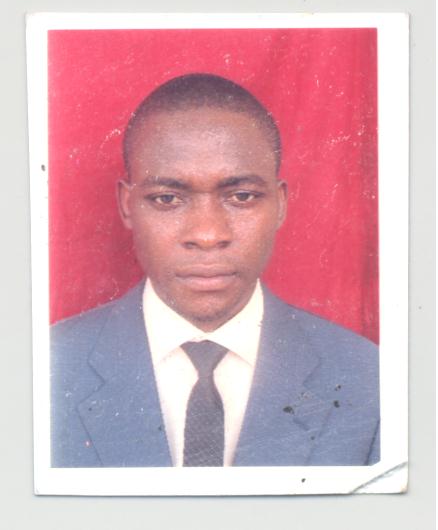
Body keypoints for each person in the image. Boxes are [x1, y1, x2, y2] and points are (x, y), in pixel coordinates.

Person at [51, 73, 380, 468]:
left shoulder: (370, 380)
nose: (207, 235)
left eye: (241, 196)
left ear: (279, 205)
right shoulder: (43, 370)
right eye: (167, 198)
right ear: (127, 205)